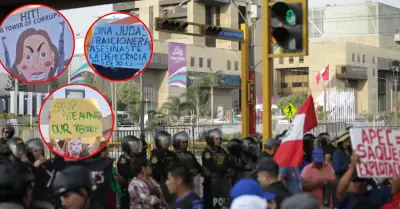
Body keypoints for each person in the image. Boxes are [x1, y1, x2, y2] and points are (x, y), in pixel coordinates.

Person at [201, 128, 233, 209]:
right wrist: (225, 170)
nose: (219, 140)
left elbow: (228, 162)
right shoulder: (207, 152)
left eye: (220, 139)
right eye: (216, 139)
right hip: (211, 181)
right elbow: (211, 166)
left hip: (222, 182)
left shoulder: (222, 150)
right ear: (211, 139)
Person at [150, 131, 179, 203]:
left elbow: (178, 165)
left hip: (173, 182)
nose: (167, 142)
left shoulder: (172, 154)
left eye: (168, 140)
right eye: (165, 140)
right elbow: (156, 170)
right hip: (161, 182)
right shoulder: (156, 155)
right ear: (159, 141)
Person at [116, 135, 143, 209]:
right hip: (127, 192)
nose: (136, 147)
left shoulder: (136, 158)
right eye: (134, 145)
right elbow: (129, 176)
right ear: (127, 147)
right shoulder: (123, 161)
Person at [172, 131, 202, 195]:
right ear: (177, 143)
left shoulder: (189, 154)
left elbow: (198, 167)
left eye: (186, 142)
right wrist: (188, 171)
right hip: (178, 184)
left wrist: (197, 170)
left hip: (189, 182)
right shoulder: (173, 155)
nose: (185, 144)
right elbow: (174, 168)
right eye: (183, 142)